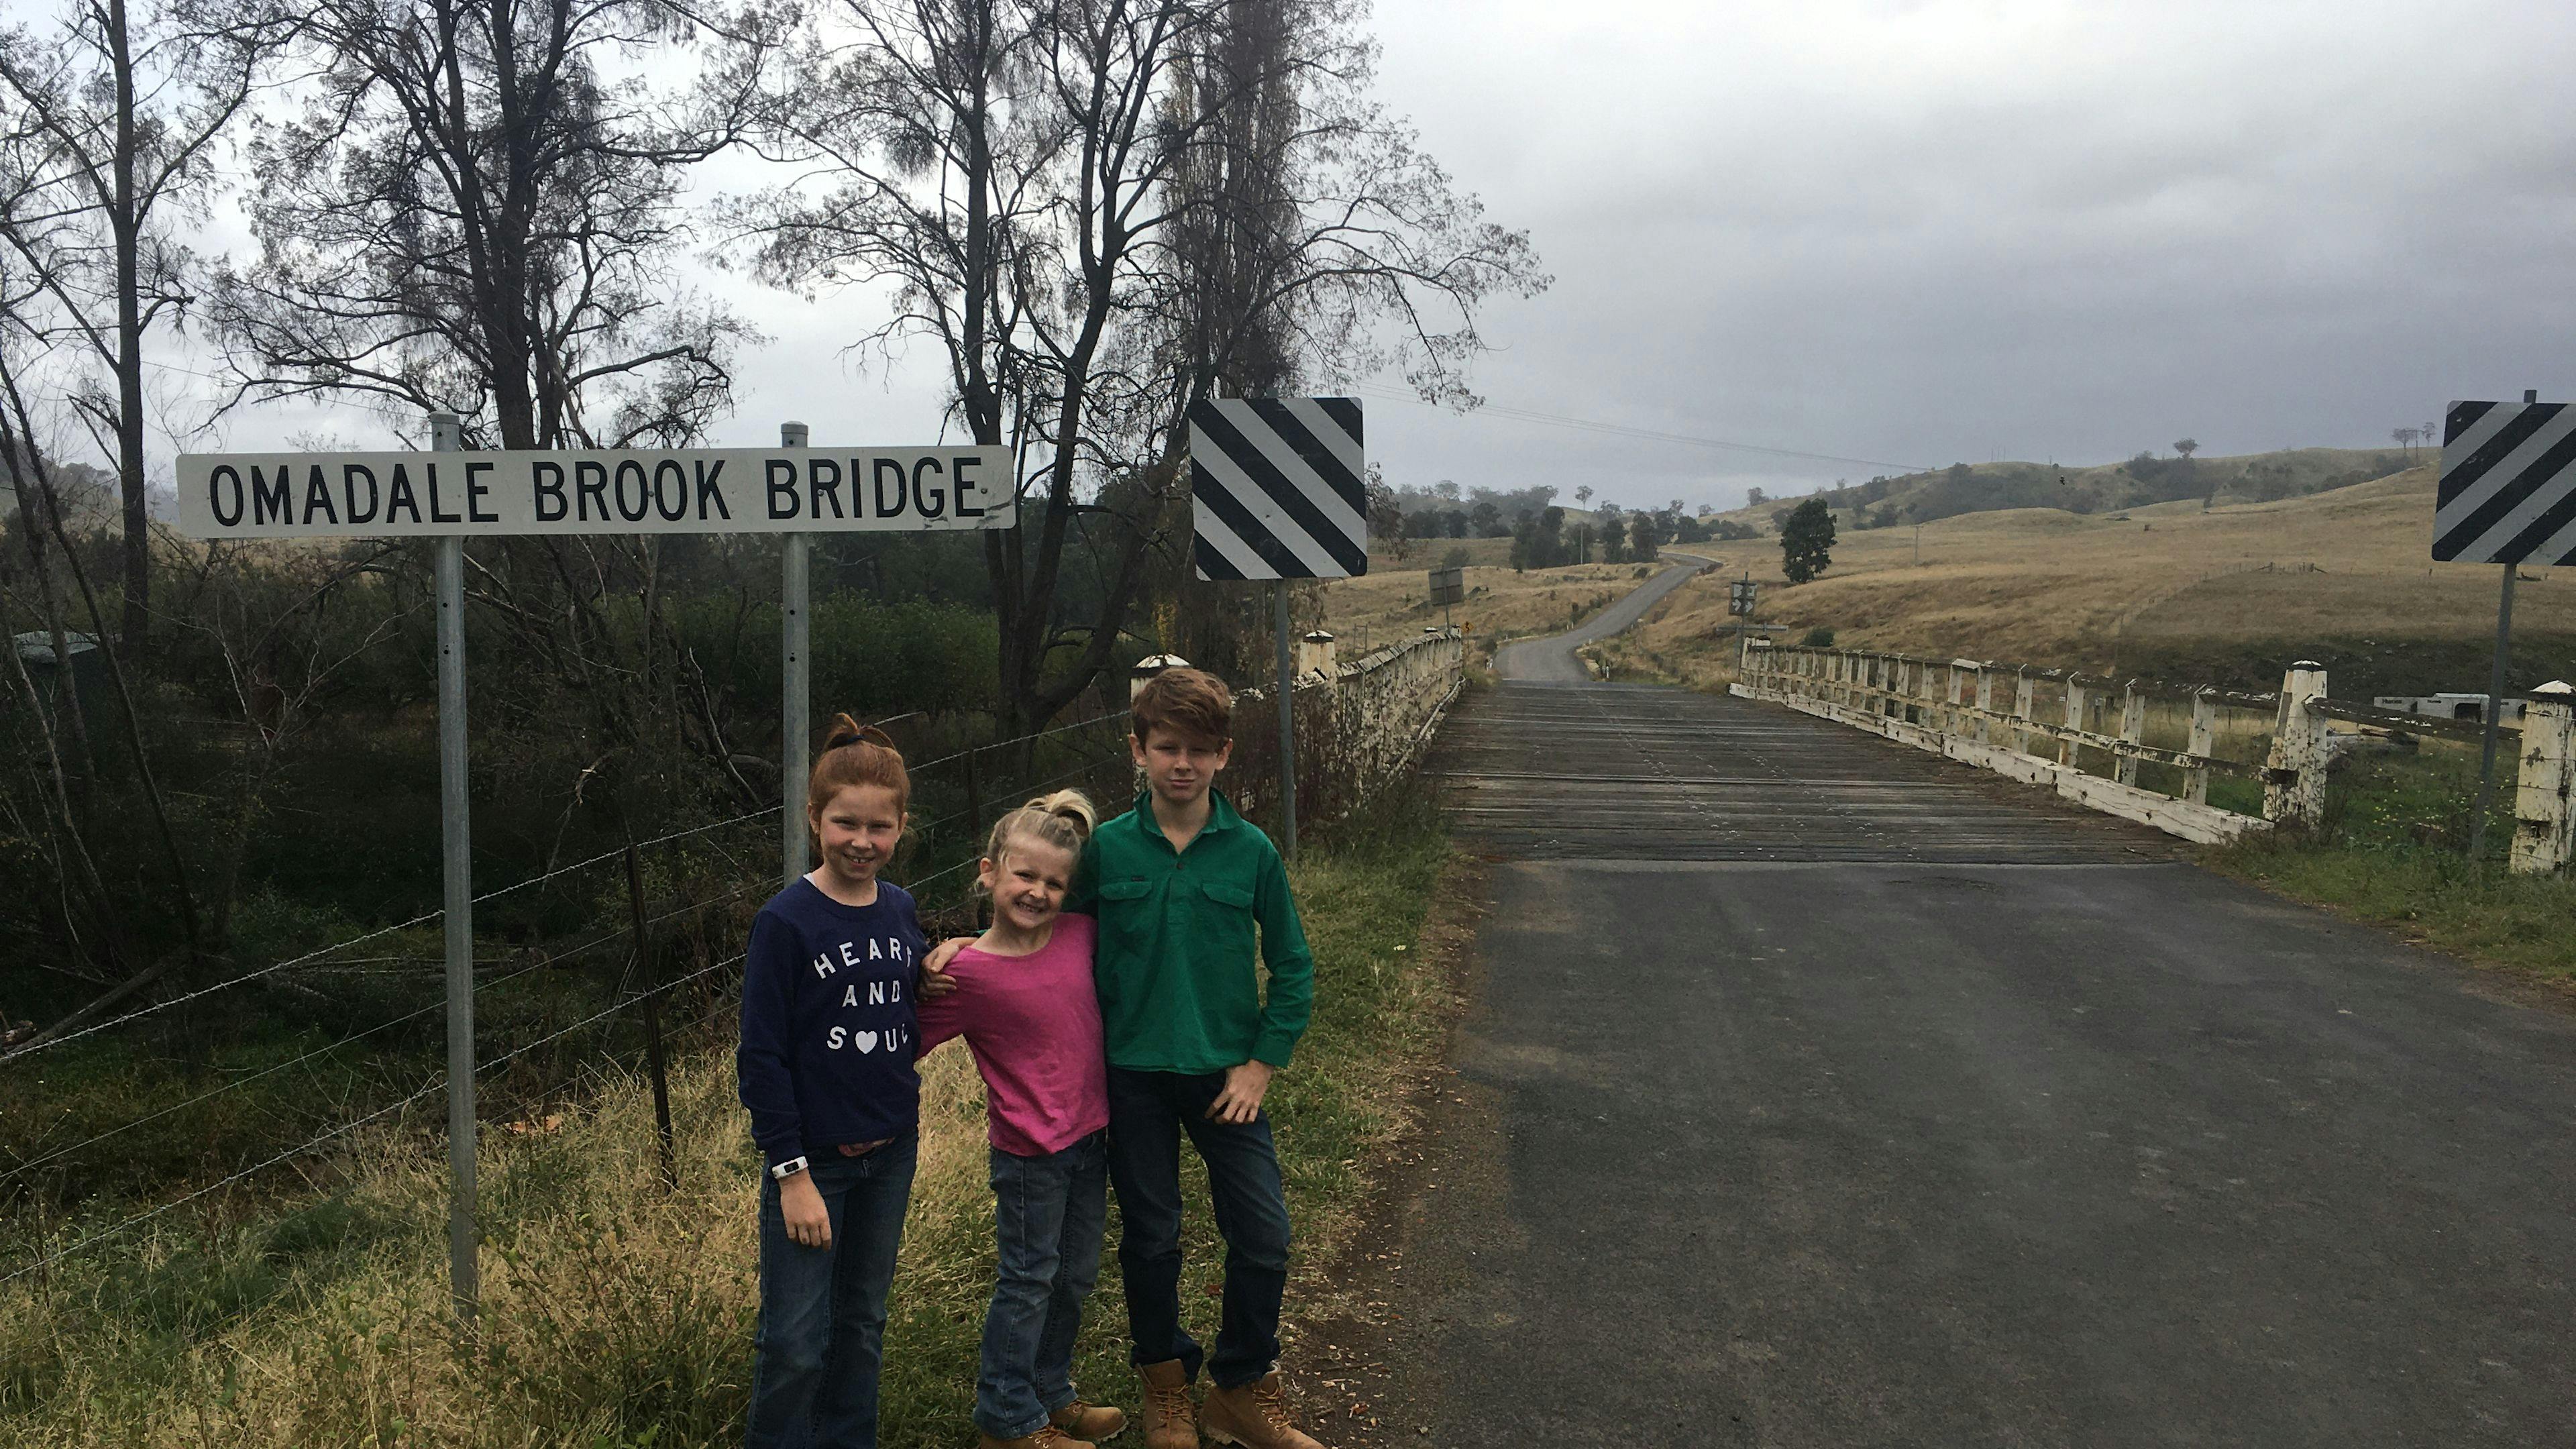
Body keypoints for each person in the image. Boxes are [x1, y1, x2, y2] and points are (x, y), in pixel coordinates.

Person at [937, 667, 1326, 1449]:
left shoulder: (1251, 851)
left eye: (1199, 750)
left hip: (1225, 1077)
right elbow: (1039, 931)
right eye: (1166, 747)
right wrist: (966, 948)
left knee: (1264, 1235)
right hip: (1132, 1079)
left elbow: (1293, 965)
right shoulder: (1107, 850)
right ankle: (1166, 1385)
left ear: (1222, 755)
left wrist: (1261, 1066)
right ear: (1138, 751)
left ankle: (1241, 1385)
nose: (1183, 763)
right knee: (1152, 1237)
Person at [737, 716, 930, 1449]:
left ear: (901, 827)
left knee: (862, 1322)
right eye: (846, 823)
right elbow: (761, 1058)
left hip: (891, 1151)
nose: (862, 841)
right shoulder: (785, 923)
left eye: (880, 827)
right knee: (794, 1340)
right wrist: (790, 1173)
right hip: (812, 1163)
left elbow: (906, 1001)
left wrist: (941, 970)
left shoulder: (901, 908)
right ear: (814, 818)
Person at [918, 790, 1129, 1449]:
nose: (1038, 892)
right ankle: (1006, 1419)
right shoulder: (965, 974)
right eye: (1024, 876)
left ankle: (1049, 1390)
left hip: (1090, 1140)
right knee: (1029, 1280)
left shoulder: (1080, 936)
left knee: (1075, 1276)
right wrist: (929, 964)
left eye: (1054, 883)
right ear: (989, 873)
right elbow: (900, 1043)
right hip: (1029, 1155)